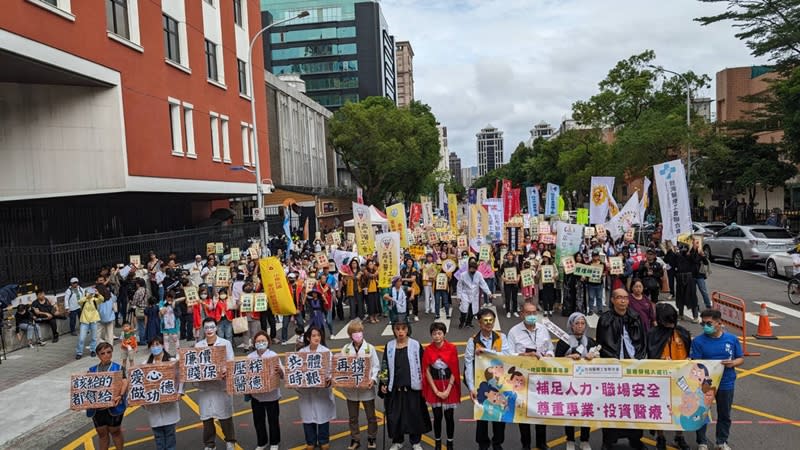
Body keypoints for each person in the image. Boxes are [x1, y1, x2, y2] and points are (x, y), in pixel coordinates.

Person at [596, 288, 647, 450]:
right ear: (612, 300)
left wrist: (639, 358)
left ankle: (635, 438)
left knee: (635, 404)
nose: (623, 301)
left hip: (632, 366)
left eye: (625, 298)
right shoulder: (605, 319)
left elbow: (642, 340)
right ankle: (609, 440)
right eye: (619, 298)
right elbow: (601, 342)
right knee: (611, 405)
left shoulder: (635, 317)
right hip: (613, 368)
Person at [691, 309, 744, 450]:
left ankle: (722, 442)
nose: (706, 326)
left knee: (724, 413)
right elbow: (695, 363)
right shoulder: (698, 341)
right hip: (705, 383)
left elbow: (740, 358)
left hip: (726, 382)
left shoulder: (732, 339)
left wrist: (733, 363)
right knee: (701, 412)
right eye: (703, 324)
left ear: (719, 323)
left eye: (709, 323)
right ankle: (702, 442)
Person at [507, 300, 553, 450]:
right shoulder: (514, 332)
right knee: (524, 413)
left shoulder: (543, 329)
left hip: (541, 379)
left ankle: (541, 442)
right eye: (528, 313)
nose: (532, 316)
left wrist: (549, 355)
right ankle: (525, 444)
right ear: (522, 314)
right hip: (522, 379)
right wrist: (523, 355)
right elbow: (508, 355)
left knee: (541, 410)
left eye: (534, 313)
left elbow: (550, 348)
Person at [380, 316, 432, 450]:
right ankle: (398, 441)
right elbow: (384, 365)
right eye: (397, 329)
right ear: (394, 330)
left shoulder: (415, 345)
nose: (400, 332)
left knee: (414, 414)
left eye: (403, 328)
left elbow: (423, 364)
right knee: (395, 416)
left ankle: (415, 442)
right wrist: (383, 383)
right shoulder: (390, 346)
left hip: (412, 388)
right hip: (395, 388)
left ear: (408, 329)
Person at [464, 308, 512, 450]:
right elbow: (468, 364)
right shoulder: (472, 341)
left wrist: (486, 351)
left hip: (500, 384)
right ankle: (483, 444)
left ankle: (497, 443)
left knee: (499, 415)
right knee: (482, 417)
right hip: (481, 385)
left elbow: (507, 355)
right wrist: (472, 388)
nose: (489, 323)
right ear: (479, 322)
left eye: (491, 320)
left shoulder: (501, 337)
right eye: (485, 320)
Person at [647, 303, 691, 450]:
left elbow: (690, 351)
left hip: (681, 378)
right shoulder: (653, 334)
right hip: (661, 379)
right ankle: (661, 436)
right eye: (667, 321)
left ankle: (679, 436)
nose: (670, 324)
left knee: (682, 407)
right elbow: (650, 355)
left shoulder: (682, 332)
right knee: (660, 408)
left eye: (672, 321)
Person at [555, 313, 598, 450]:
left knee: (586, 410)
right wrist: (568, 358)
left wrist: (594, 356)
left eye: (582, 323)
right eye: (577, 323)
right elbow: (556, 362)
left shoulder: (590, 341)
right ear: (571, 325)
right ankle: (570, 439)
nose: (580, 326)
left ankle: (585, 439)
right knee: (570, 410)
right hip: (569, 384)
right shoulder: (563, 341)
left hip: (586, 384)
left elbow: (600, 359)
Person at [194, 317, 237, 450]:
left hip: (220, 386)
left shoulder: (225, 343)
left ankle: (230, 440)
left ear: (216, 328)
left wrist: (225, 372)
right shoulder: (198, 346)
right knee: (207, 418)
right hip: (205, 388)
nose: (209, 330)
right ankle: (209, 443)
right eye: (206, 328)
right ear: (203, 329)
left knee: (225, 416)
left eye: (212, 327)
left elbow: (231, 362)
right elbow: (194, 366)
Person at [340, 320, 381, 450]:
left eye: (359, 332)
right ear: (350, 335)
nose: (357, 335)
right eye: (354, 333)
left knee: (371, 416)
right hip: (351, 390)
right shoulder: (345, 349)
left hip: (366, 389)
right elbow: (341, 367)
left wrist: (373, 379)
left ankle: (372, 437)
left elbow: (376, 366)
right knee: (353, 417)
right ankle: (355, 439)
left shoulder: (370, 348)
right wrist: (342, 380)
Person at [422, 322, 461, 450]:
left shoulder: (452, 348)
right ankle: (437, 442)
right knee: (437, 416)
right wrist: (436, 390)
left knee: (449, 417)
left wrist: (448, 389)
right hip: (435, 384)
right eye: (434, 334)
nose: (437, 336)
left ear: (444, 334)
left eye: (439, 333)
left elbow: (455, 370)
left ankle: (450, 442)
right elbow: (426, 371)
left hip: (449, 385)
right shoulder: (428, 349)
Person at [297, 326, 336, 450]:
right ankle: (310, 441)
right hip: (306, 392)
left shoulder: (326, 352)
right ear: (308, 338)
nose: (316, 338)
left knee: (323, 415)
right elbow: (293, 371)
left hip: (322, 391)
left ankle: (324, 439)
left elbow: (331, 369)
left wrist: (328, 378)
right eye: (313, 336)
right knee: (308, 417)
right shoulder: (301, 353)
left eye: (318, 335)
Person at [142, 336, 182, 450]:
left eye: (157, 344)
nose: (155, 347)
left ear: (163, 345)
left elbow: (180, 378)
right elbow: (141, 385)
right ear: (149, 348)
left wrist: (179, 392)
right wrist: (142, 401)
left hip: (169, 405)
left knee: (170, 435)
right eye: (152, 345)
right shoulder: (145, 364)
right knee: (158, 436)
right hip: (153, 406)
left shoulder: (172, 362)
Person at [86, 342, 128, 450]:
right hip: (97, 408)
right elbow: (85, 388)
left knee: (115, 431)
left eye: (109, 352)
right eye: (102, 353)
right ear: (98, 355)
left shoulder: (118, 368)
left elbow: (125, 382)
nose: (106, 355)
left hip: (114, 405)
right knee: (101, 432)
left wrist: (121, 395)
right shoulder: (91, 370)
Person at [248, 331, 285, 450]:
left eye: (263, 341)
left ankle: (274, 442)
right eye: (258, 341)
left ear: (268, 342)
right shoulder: (250, 357)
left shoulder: (273, 355)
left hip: (272, 395)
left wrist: (280, 370)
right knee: (258, 420)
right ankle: (261, 442)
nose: (261, 343)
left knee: (273, 420)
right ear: (254, 343)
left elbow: (283, 374)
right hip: (256, 395)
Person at [456, 260, 492, 329]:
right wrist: (459, 296)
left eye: (474, 269)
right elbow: (459, 286)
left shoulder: (479, 274)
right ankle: (462, 322)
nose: (472, 270)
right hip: (465, 294)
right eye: (471, 268)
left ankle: (468, 323)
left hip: (474, 295)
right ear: (469, 268)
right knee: (464, 310)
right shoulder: (463, 275)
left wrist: (489, 293)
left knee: (472, 311)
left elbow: (483, 284)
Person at [76, 289, 103, 360]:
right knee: (81, 338)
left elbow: (102, 299)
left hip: (94, 320)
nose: (90, 294)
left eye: (91, 293)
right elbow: (79, 302)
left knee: (94, 337)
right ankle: (79, 352)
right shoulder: (84, 300)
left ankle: (93, 350)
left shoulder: (95, 300)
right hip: (84, 321)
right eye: (88, 293)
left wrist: (98, 293)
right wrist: (86, 297)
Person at [282, 273, 306, 343]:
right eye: (289, 278)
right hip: (287, 309)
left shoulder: (299, 286)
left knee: (300, 323)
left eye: (292, 278)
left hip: (297, 308)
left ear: (295, 278)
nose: (291, 279)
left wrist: (300, 308)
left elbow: (302, 298)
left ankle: (302, 337)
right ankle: (284, 339)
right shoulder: (285, 287)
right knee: (285, 325)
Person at [500, 251, 521, 318]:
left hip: (514, 283)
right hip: (507, 283)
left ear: (513, 256)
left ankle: (515, 311)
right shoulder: (504, 264)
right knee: (507, 297)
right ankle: (508, 311)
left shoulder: (516, 264)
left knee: (515, 297)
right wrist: (503, 279)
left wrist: (518, 279)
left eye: (511, 255)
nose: (509, 256)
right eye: (508, 255)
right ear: (506, 256)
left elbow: (519, 273)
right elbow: (500, 273)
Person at [538, 251, 559, 317]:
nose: (545, 258)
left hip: (551, 282)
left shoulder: (553, 264)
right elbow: (537, 275)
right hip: (544, 283)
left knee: (551, 297)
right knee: (544, 297)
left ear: (549, 257)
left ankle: (550, 309)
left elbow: (556, 272)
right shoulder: (541, 265)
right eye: (544, 257)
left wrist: (555, 276)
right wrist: (538, 271)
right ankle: (545, 310)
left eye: (546, 257)